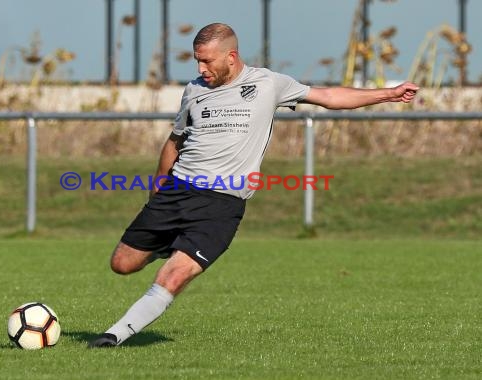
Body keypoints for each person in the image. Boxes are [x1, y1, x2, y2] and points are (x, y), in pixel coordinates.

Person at [88, 23, 418, 348]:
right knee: (122, 264)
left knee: (174, 276)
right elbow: (174, 142)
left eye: (207, 61)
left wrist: (388, 94)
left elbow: (329, 96)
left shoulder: (268, 83)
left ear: (231, 57)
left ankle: (114, 336)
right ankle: (165, 245)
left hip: (221, 205)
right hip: (177, 190)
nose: (201, 68)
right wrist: (157, 192)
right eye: (197, 61)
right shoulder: (194, 90)